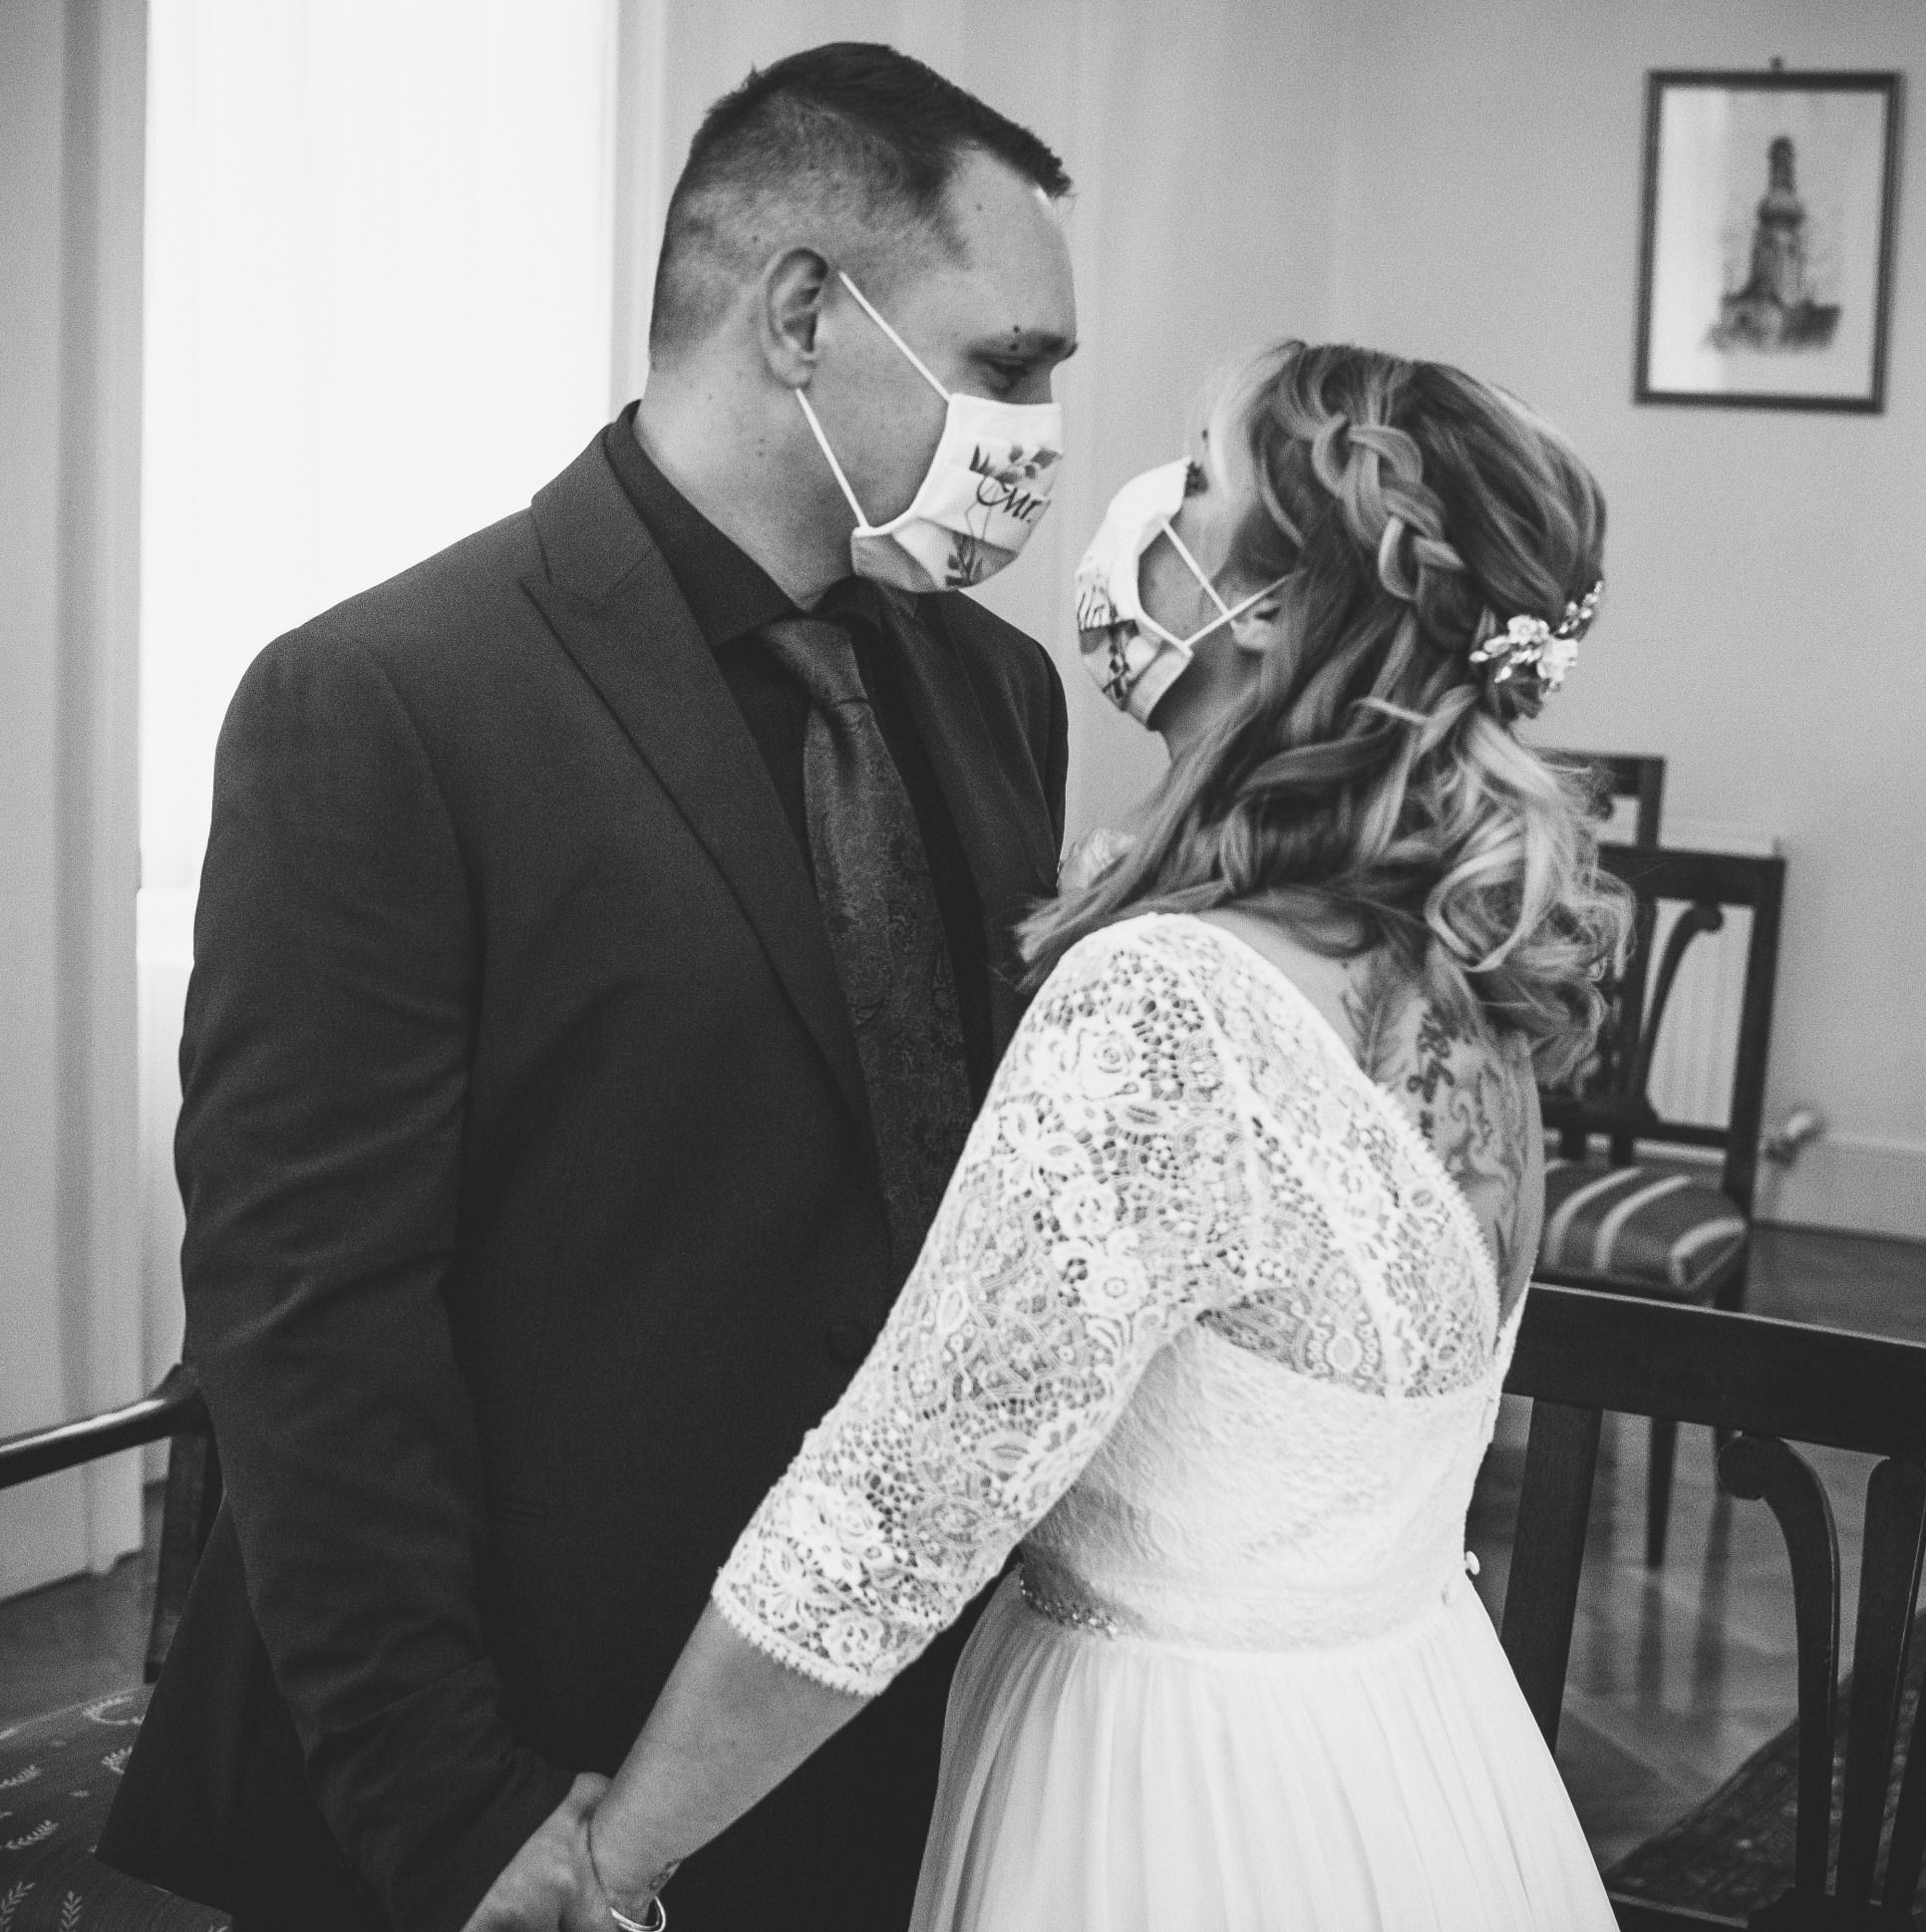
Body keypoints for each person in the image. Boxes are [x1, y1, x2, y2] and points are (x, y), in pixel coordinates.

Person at [99, 43, 1077, 1932]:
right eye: (1008, 365)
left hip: (890, 1734)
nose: (1034, 430)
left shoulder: (996, 689)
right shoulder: (386, 698)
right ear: (806, 313)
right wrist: (448, 1803)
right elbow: (311, 1312)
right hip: (526, 1742)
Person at [486, 340, 1633, 1931]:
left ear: (1276, 605)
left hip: (1178, 1802)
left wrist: (617, 1864)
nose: (1146, 504)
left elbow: (902, 1502)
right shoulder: (1455, 964)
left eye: (1201, 478)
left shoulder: (1181, 1003)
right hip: (1407, 1746)